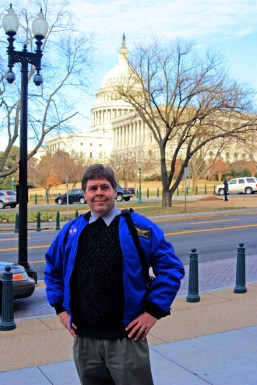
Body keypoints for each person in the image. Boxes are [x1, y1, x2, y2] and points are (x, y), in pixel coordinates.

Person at [44, 164, 185, 385]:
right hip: (85, 341)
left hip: (126, 340)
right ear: (85, 194)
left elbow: (171, 269)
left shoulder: (139, 227)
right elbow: (52, 269)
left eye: (104, 187)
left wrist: (153, 312)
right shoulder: (71, 231)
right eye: (92, 188)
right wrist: (60, 308)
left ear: (115, 190)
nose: (99, 193)